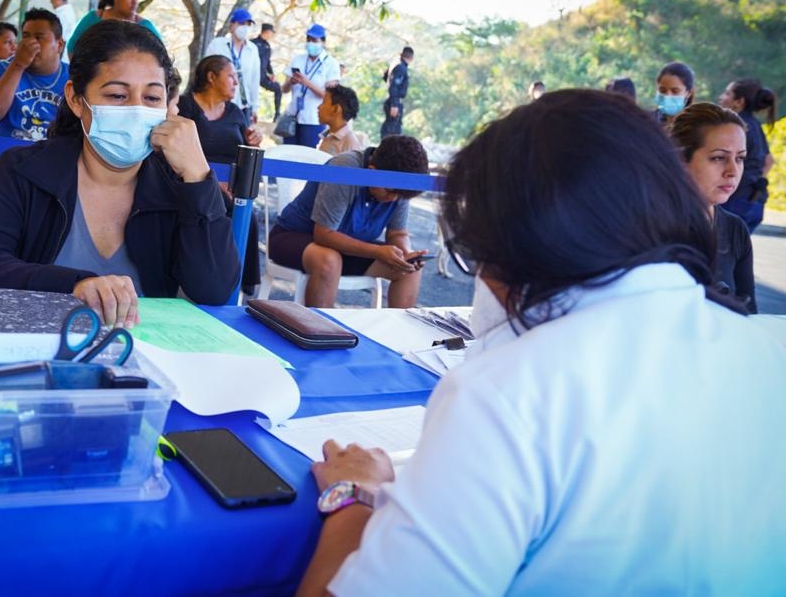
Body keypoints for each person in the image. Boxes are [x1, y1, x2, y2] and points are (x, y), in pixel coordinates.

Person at [296, 89, 786, 596]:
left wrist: (353, 496)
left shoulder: (509, 395)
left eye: (475, 252)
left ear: (513, 240)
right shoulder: (768, 354)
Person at [0, 20, 240, 322]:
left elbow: (213, 290)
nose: (136, 109)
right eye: (117, 95)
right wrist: (75, 285)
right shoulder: (23, 171)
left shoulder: (178, 187)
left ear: (169, 106)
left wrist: (197, 176)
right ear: (76, 99)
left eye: (152, 98)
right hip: (34, 348)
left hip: (142, 358)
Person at [268, 134, 429, 308]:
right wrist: (377, 251)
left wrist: (405, 253)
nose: (393, 199)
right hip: (293, 237)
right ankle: (319, 332)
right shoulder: (346, 168)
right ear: (372, 171)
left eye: (400, 195)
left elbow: (398, 232)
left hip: (348, 249)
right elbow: (324, 234)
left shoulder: (399, 182)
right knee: (329, 260)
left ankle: (396, 333)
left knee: (409, 270)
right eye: (390, 192)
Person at [177, 55, 262, 293]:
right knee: (231, 208)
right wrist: (211, 181)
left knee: (247, 214)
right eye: (231, 77)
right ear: (211, 77)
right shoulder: (185, 106)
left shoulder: (235, 112)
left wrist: (253, 142)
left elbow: (245, 149)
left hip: (232, 187)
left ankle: (243, 282)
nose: (236, 83)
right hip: (194, 182)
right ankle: (224, 281)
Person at [670, 102, 755, 313]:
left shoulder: (735, 229)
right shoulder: (650, 227)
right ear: (680, 159)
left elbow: (750, 315)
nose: (733, 171)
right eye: (718, 158)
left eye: (740, 158)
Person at [0, 8, 68, 142]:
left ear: (59, 45)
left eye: (39, 37)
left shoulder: (75, 78)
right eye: (26, 36)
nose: (30, 43)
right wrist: (18, 65)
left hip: (53, 157)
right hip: (6, 157)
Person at [718, 78, 777, 232]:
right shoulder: (756, 125)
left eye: (727, 94)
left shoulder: (737, 126)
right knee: (735, 252)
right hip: (754, 202)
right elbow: (769, 161)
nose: (721, 97)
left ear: (739, 102)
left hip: (735, 201)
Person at [66, 0, 161, 57]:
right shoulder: (92, 19)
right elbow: (71, 48)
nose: (135, 1)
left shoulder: (145, 27)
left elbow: (161, 55)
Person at [281, 24, 341, 148]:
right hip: (293, 117)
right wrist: (290, 82)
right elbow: (284, 89)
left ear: (323, 42)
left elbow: (329, 96)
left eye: (314, 40)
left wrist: (306, 82)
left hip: (313, 119)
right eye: (308, 40)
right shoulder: (298, 60)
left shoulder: (331, 64)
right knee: (288, 155)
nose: (310, 43)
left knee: (307, 158)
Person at [204, 8, 260, 123]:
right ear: (232, 25)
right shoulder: (218, 45)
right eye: (241, 23)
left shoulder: (252, 49)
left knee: (241, 139)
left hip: (243, 106)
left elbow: (255, 79)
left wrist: (254, 107)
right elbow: (205, 72)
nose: (245, 27)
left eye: (248, 24)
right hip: (220, 104)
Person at [317, 85, 361, 156]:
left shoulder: (350, 145)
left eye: (323, 102)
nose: (319, 107)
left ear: (336, 109)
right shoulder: (326, 136)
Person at [380, 46, 413, 139]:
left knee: (392, 127)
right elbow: (394, 85)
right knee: (392, 129)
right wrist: (394, 104)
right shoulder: (401, 67)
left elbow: (386, 77)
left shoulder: (395, 64)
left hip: (392, 99)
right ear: (411, 58)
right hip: (394, 100)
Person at [252, 22, 281, 120]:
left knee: (278, 88)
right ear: (267, 31)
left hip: (263, 76)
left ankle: (277, 114)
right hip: (252, 76)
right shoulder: (253, 43)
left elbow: (267, 63)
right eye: (271, 32)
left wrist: (272, 74)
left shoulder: (267, 46)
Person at [653, 61, 694, 126]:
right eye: (662, 90)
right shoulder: (646, 122)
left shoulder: (696, 126)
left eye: (675, 91)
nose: (667, 95)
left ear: (688, 93)